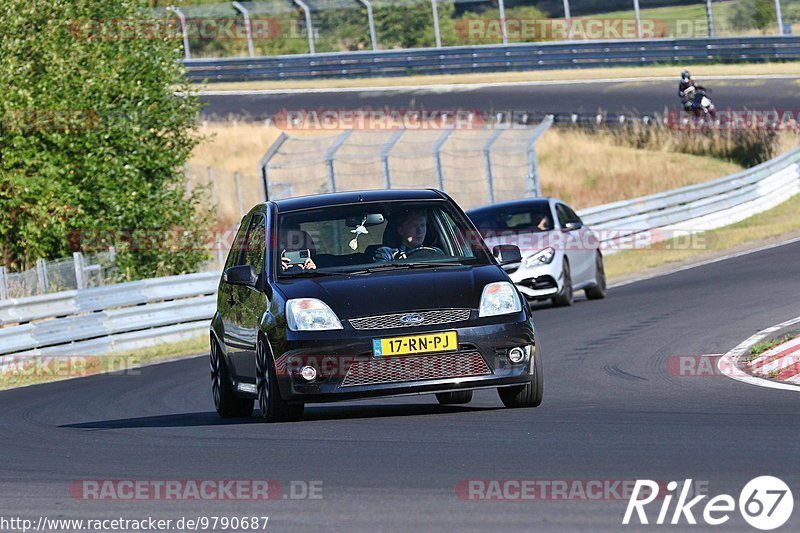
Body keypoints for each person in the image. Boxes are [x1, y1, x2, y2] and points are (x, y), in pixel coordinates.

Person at [373, 210, 443, 262]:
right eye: (414, 226)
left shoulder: (435, 253)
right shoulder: (387, 253)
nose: (419, 231)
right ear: (401, 230)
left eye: (422, 225)